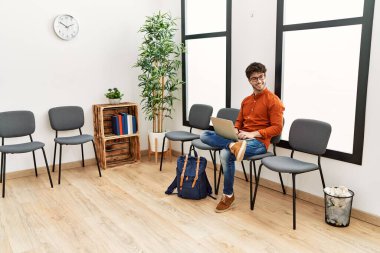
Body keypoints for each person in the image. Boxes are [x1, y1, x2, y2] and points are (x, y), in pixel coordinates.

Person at [200, 62, 285, 213]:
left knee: (225, 154)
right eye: (255, 78)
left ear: (265, 76)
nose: (259, 81)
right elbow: (239, 121)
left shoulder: (274, 101)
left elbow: (277, 128)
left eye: (261, 77)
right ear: (249, 80)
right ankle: (233, 144)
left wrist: (252, 134)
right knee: (204, 134)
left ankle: (228, 196)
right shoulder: (246, 101)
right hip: (240, 139)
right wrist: (235, 129)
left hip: (258, 142)